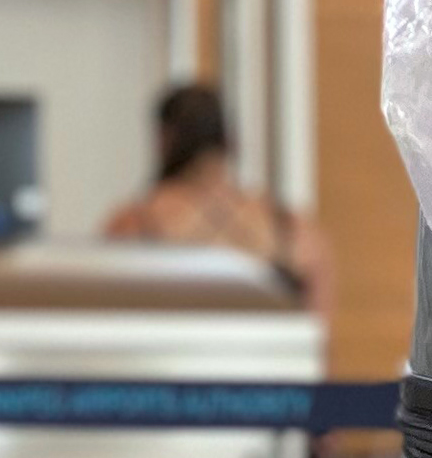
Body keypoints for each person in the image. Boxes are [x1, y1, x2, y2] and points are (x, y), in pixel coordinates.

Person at [105, 78, 333, 316]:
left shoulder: (135, 224)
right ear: (229, 139)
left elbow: (111, 323)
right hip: (265, 351)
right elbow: (318, 340)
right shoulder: (292, 230)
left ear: (165, 138)